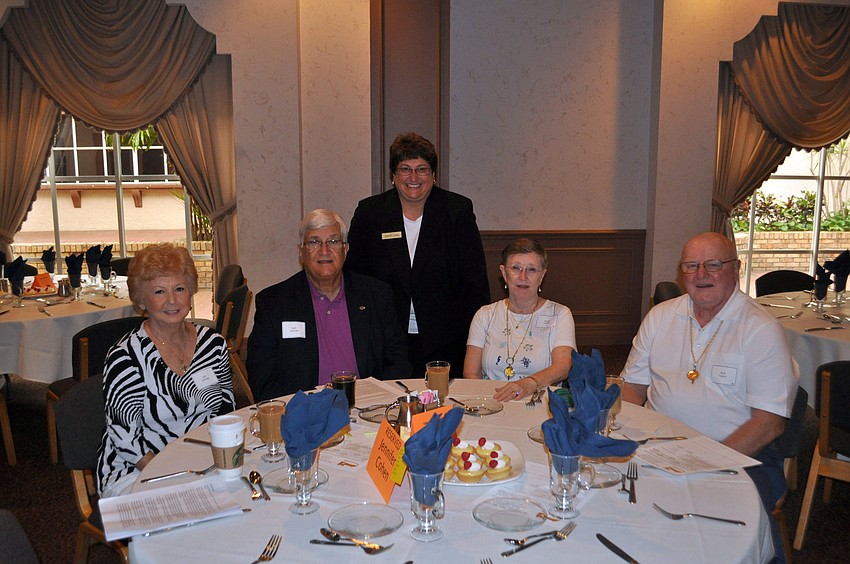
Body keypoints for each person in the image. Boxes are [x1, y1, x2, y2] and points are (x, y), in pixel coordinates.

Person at [621, 231, 798, 562]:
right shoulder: (660, 317)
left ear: (735, 268)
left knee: (713, 531)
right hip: (658, 446)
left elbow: (769, 424)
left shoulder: (760, 329)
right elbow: (633, 387)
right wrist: (621, 437)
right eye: (691, 265)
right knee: (613, 497)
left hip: (739, 455)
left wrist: (705, 463)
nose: (701, 275)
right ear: (681, 272)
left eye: (713, 264)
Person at [346, 132, 491, 378]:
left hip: (446, 340)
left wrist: (477, 341)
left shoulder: (457, 211)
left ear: (433, 175)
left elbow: (474, 283)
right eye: (405, 169)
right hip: (387, 339)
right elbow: (355, 279)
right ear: (393, 175)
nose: (414, 177)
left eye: (422, 169)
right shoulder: (370, 213)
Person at [97, 244, 234, 497]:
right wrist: (175, 478)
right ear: (141, 300)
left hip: (201, 462)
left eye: (179, 289)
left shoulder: (213, 343)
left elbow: (225, 410)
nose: (172, 300)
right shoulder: (125, 356)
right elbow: (126, 441)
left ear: (191, 292)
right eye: (159, 292)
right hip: (137, 470)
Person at [247, 209, 410, 400]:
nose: (324, 250)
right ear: (301, 252)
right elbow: (261, 378)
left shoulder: (376, 295)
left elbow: (398, 360)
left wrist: (381, 401)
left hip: (368, 408)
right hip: (305, 413)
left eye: (333, 241)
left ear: (345, 249)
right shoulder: (274, 303)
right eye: (314, 242)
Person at [464, 238, 576, 402]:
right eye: (516, 268)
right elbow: (471, 373)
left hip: (539, 403)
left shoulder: (560, 314)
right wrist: (486, 403)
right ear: (504, 273)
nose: (523, 276)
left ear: (542, 275)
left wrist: (529, 384)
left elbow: (563, 366)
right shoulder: (485, 315)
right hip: (491, 402)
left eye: (531, 270)